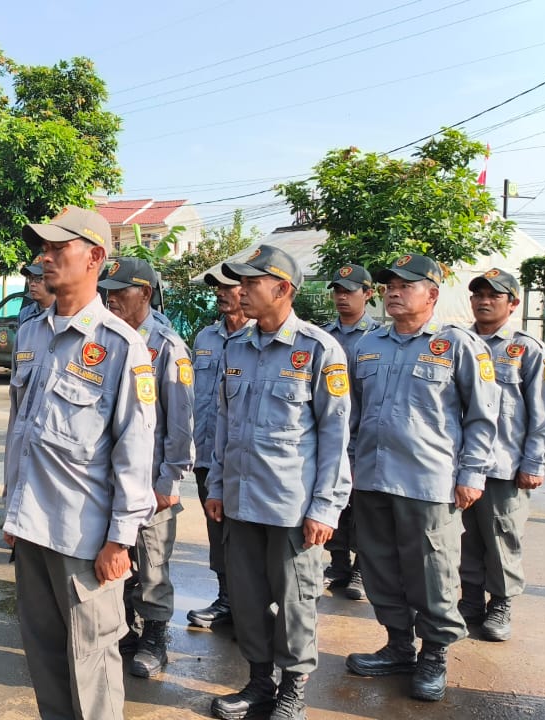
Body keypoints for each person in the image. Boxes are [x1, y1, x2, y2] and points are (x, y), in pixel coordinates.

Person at [4, 206, 157, 720]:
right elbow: (21, 432)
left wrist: (121, 539)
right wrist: (13, 514)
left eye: (57, 248)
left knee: (91, 666)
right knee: (45, 659)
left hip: (85, 536)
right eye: (43, 249)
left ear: (94, 257)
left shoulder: (120, 346)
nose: (44, 258)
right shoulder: (31, 334)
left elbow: (135, 451)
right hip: (32, 527)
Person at [204, 245, 352, 720]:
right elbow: (225, 427)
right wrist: (217, 487)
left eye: (250, 284)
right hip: (242, 502)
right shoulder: (236, 347)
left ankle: (293, 689)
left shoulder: (318, 349)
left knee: (294, 603)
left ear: (283, 289)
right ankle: (258, 682)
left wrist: (325, 507)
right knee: (246, 601)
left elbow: (335, 435)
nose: (239, 292)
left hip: (293, 508)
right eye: (239, 284)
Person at [345, 254, 499, 703]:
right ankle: (397, 646)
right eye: (389, 284)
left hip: (429, 483)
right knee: (379, 567)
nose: (394, 291)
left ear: (432, 294)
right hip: (372, 479)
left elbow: (482, 417)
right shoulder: (369, 345)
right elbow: (351, 416)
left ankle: (434, 653)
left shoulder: (457, 345)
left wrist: (472, 474)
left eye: (406, 285)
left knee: (432, 572)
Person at [98, 257, 195, 679]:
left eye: (122, 290)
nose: (112, 297)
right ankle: (124, 630)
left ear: (147, 294)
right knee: (115, 557)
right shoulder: (106, 337)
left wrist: (169, 479)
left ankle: (154, 636)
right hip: (111, 476)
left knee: (152, 561)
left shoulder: (168, 346)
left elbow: (181, 421)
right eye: (109, 290)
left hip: (152, 477)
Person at [460, 268, 545, 641]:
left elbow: (543, 411)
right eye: (478, 295)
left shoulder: (526, 349)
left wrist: (534, 462)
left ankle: (500, 603)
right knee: (466, 537)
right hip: (462, 464)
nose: (484, 301)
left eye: (494, 296)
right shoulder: (456, 343)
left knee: (502, 536)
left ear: (512, 304)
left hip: (504, 464)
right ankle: (469, 599)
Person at [186, 269, 252, 629]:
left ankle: (250, 607)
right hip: (208, 454)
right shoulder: (206, 338)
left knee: (246, 538)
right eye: (218, 288)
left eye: (229, 286)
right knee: (218, 534)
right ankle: (226, 600)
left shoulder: (258, 339)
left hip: (245, 460)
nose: (221, 293)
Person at [317, 263, 380, 601]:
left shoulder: (377, 339)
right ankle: (338, 564)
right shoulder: (324, 337)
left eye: (350, 291)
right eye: (338, 291)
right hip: (332, 436)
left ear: (368, 294)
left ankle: (360, 570)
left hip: (364, 437)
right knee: (334, 504)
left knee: (363, 510)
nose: (342, 297)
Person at [17, 262, 53, 327]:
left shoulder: (65, 313)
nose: (32, 284)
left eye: (38, 279)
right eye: (30, 279)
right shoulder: (25, 313)